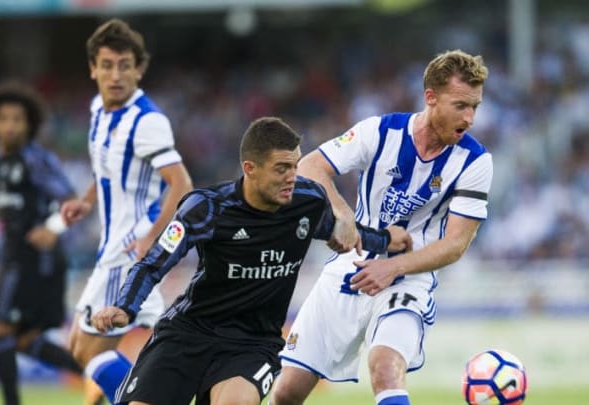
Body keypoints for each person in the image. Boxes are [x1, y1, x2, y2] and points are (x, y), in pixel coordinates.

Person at [90, 117, 412, 405]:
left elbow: (343, 234)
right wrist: (125, 307)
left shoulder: (307, 202)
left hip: (253, 343)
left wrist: (384, 240)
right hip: (190, 332)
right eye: (281, 168)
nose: (292, 177)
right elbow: (154, 263)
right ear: (250, 168)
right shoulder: (207, 209)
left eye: (295, 166)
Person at [271, 49, 493, 405]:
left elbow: (456, 244)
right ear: (431, 98)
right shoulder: (378, 131)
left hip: (409, 275)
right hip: (351, 266)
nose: (470, 118)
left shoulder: (476, 161)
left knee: (386, 367)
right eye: (461, 105)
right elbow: (311, 167)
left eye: (475, 107)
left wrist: (393, 266)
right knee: (286, 393)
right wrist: (344, 218)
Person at [59, 18, 193, 405]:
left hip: (128, 249)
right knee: (81, 346)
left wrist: (150, 238)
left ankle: (148, 399)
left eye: (124, 65)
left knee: (89, 351)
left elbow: (181, 183)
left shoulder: (147, 122)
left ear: (139, 69)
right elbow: (105, 169)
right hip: (110, 248)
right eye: (106, 65)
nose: (115, 74)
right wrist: (86, 201)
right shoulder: (98, 109)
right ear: (93, 69)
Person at [0, 81, 83, 405]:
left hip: (36, 260)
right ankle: (102, 375)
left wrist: (52, 227)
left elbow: (71, 198)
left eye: (17, 119)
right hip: (15, 258)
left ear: (30, 123)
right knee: (23, 341)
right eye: (3, 119)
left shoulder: (35, 160)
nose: (10, 126)